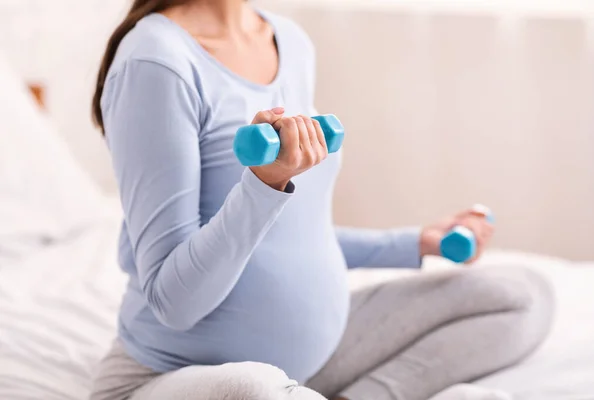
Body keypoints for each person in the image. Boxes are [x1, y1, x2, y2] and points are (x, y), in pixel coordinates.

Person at [89, 1, 555, 399]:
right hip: (178, 376)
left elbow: (288, 239)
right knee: (259, 388)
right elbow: (174, 303)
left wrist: (412, 243)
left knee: (522, 295)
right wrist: (263, 185)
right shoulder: (154, 61)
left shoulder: (288, 40)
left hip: (316, 360)